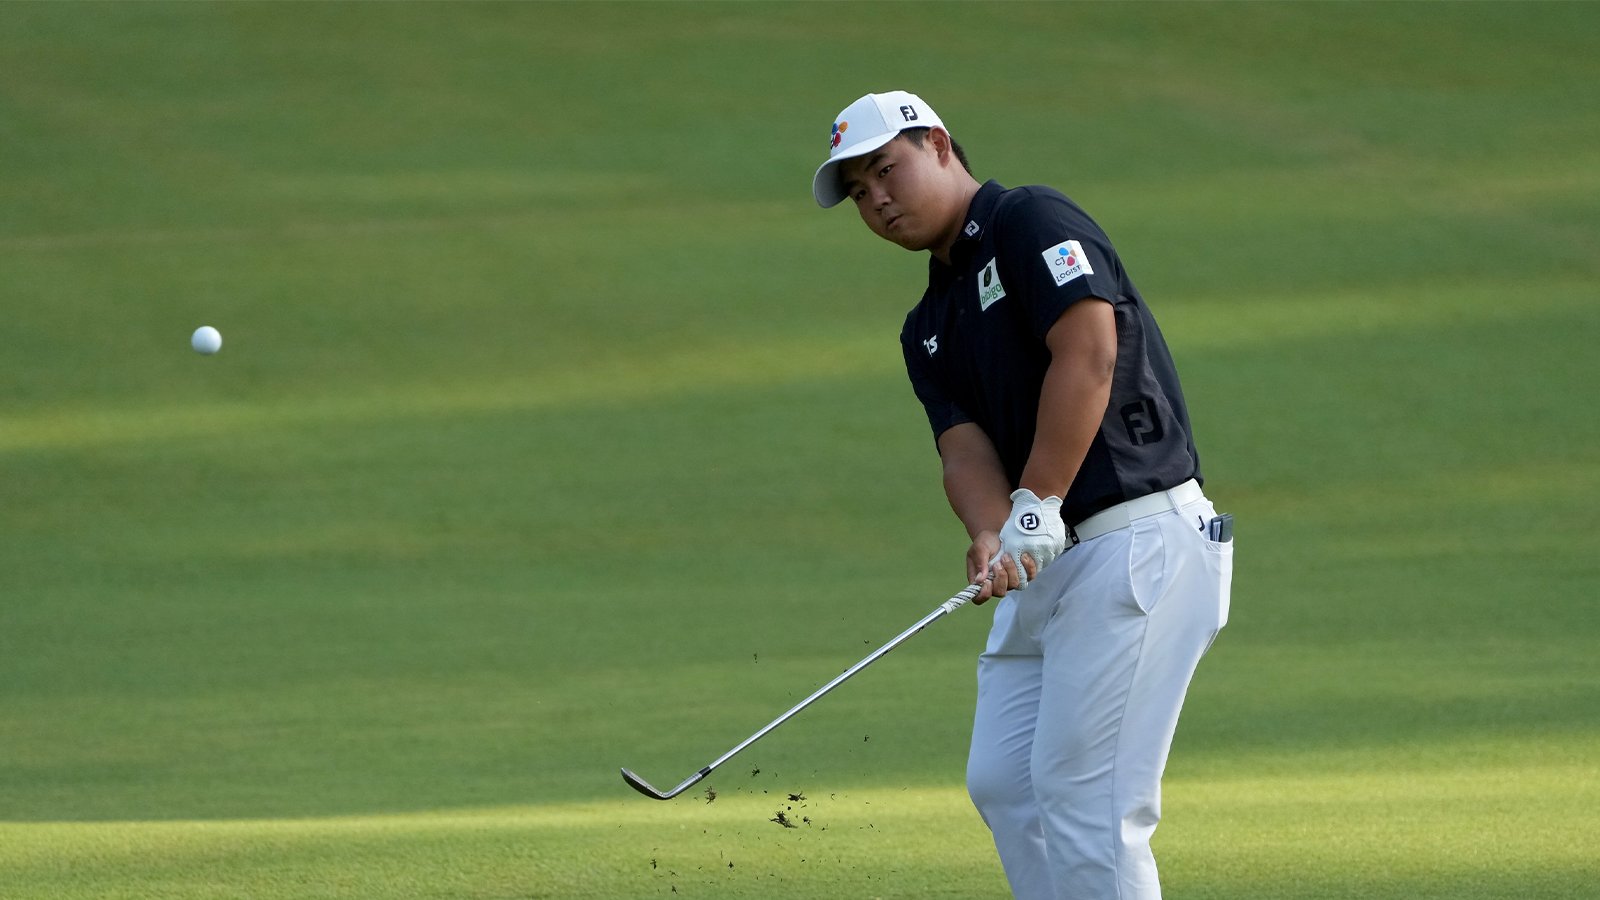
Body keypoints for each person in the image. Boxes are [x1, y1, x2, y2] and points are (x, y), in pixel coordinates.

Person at [812, 91, 1234, 900]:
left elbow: (1089, 352)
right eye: (860, 193)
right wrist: (988, 529)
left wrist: (1034, 502)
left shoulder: (1028, 221)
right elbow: (962, 447)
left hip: (1135, 540)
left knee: (1088, 802)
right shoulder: (925, 323)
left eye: (885, 171)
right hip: (1048, 559)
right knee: (1009, 783)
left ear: (938, 144)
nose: (878, 201)